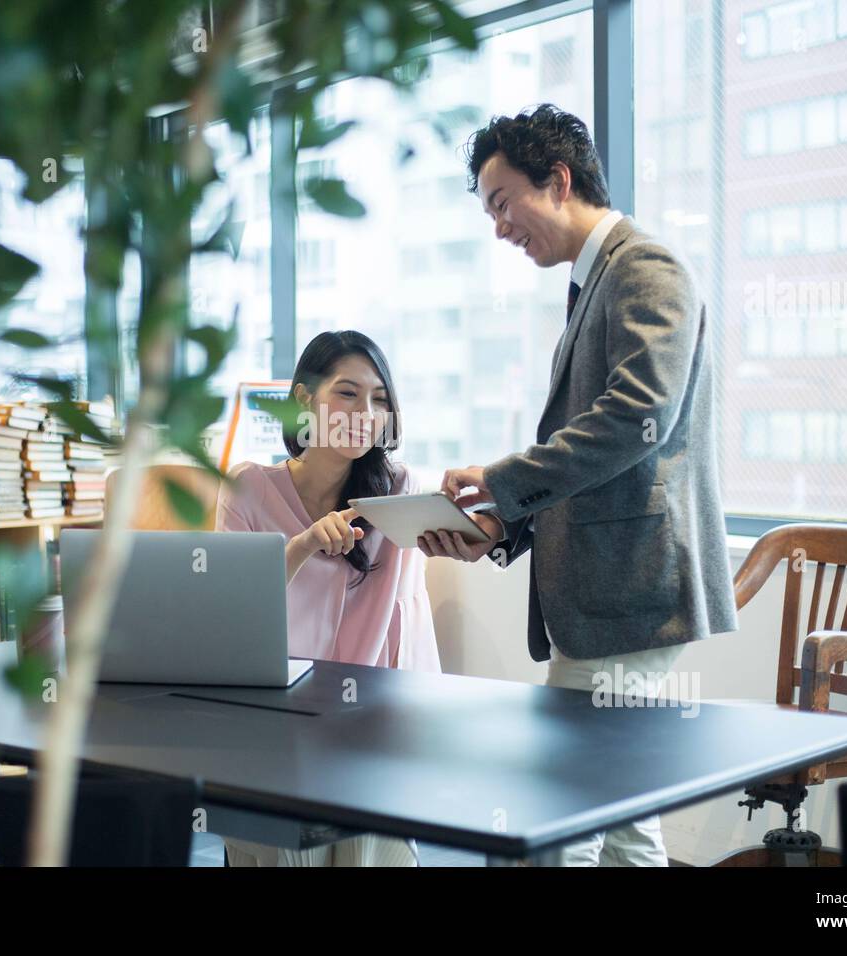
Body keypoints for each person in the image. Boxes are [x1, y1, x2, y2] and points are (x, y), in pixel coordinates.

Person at [419, 104, 738, 866]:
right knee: (624, 816)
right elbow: (600, 454)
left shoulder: (646, 270)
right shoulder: (599, 281)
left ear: (557, 181)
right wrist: (500, 526)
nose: (498, 228)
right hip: (612, 593)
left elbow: (635, 423)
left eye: (502, 203)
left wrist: (501, 483)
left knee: (568, 814)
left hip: (627, 595)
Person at [215, 330, 438, 866]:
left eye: (379, 397)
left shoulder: (400, 492)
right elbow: (229, 614)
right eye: (347, 392)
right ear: (302, 400)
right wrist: (304, 544)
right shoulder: (247, 488)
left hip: (368, 728)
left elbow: (406, 632)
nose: (366, 411)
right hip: (272, 723)